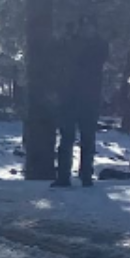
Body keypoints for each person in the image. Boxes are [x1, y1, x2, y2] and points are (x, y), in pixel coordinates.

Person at [53, 31, 108, 187]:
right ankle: (67, 176)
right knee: (69, 139)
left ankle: (83, 175)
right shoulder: (70, 47)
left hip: (85, 100)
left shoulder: (96, 48)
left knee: (84, 139)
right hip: (72, 100)